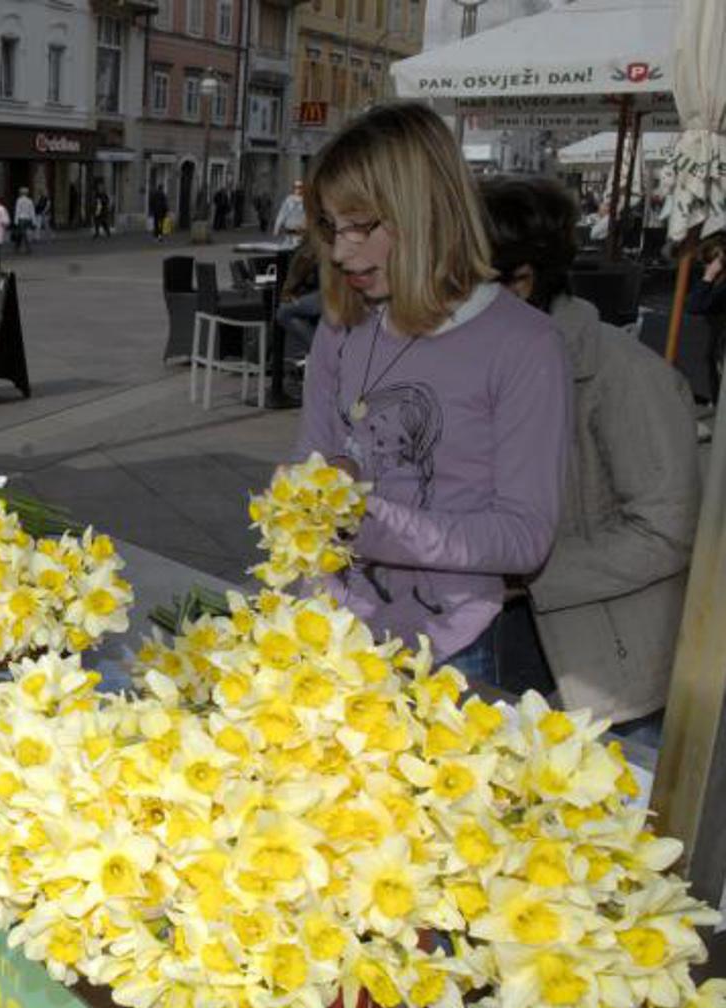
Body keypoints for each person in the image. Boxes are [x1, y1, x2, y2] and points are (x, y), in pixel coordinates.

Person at [293, 103, 570, 684]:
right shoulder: (341, 327)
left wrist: (364, 521)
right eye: (330, 227)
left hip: (449, 646)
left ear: (425, 214)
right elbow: (312, 462)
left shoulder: (523, 344)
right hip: (330, 630)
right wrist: (311, 489)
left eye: (361, 226)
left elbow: (524, 537)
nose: (340, 251)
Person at [481, 175, 700, 721]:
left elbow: (668, 531)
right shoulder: (486, 361)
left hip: (608, 676)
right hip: (497, 646)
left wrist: (522, 576)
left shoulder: (623, 373)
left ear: (523, 280)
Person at [274, 240, 322, 358]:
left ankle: (320, 349)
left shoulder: (311, 246)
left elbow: (297, 273)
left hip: (329, 295)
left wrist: (288, 292)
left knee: (284, 311)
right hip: (331, 293)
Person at [272, 178, 306, 244]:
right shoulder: (288, 200)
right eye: (295, 187)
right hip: (288, 230)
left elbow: (309, 215)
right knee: (287, 246)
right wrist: (276, 227)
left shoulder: (306, 200)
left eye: (300, 187)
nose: (298, 189)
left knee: (297, 246)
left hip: (300, 231)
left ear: (303, 188)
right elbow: (282, 214)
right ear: (293, 188)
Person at [13, 187, 36, 254]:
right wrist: (33, 221)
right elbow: (32, 211)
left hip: (21, 219)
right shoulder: (30, 201)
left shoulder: (19, 200)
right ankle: (27, 248)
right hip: (28, 219)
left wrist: (16, 220)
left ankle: (18, 247)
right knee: (26, 233)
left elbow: (17, 211)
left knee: (21, 234)